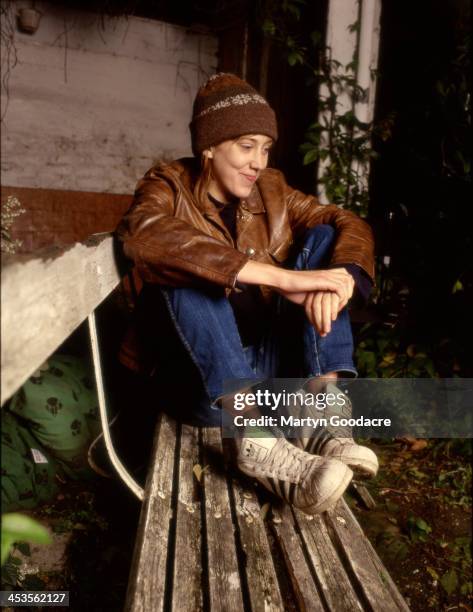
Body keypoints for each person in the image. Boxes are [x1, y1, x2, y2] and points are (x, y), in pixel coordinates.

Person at [116, 73, 378, 515]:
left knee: (324, 241)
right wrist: (283, 279)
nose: (258, 161)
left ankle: (321, 411)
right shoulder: (167, 186)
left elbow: (345, 222)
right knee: (183, 269)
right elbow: (145, 238)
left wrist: (344, 276)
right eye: (245, 145)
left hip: (270, 373)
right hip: (204, 383)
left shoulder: (271, 190)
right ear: (210, 147)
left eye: (265, 147)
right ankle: (254, 441)